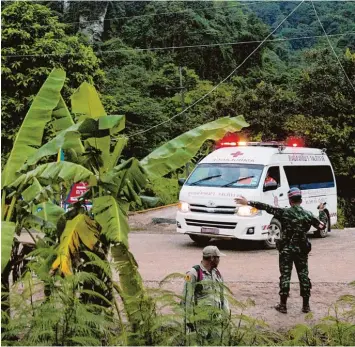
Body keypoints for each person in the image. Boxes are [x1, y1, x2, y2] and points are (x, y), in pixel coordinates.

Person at [235, 188, 327, 314]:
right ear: (301, 200)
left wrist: (248, 202)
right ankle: (306, 306)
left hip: (286, 250)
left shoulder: (283, 212)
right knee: (303, 276)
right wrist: (321, 211)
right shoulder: (308, 215)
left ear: (290, 201)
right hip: (301, 250)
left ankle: (283, 305)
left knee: (285, 276)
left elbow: (266, 207)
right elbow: (322, 226)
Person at [182, 246, 230, 342]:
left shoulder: (217, 274)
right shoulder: (192, 273)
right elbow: (187, 298)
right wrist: (189, 321)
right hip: (200, 322)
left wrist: (226, 316)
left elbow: (223, 296)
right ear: (212, 258)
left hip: (216, 321)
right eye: (218, 257)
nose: (219, 260)